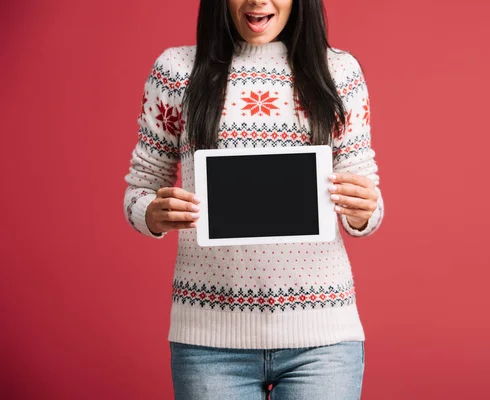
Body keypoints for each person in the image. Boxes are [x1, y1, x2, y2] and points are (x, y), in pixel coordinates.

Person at [123, 0, 384, 398]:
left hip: (323, 336)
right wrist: (153, 213)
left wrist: (366, 210)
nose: (259, 1)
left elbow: (366, 201)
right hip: (207, 339)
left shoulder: (339, 71)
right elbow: (139, 190)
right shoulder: (176, 71)